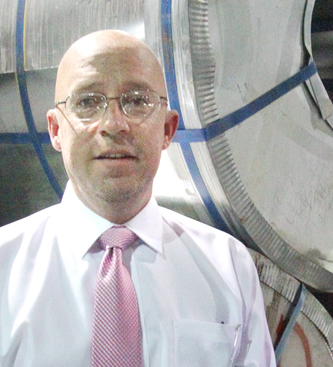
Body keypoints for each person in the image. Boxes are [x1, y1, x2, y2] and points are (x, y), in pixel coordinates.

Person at [0, 30, 275, 366]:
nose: (115, 125)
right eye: (87, 102)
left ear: (167, 130)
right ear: (56, 129)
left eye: (136, 101)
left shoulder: (228, 267)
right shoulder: (5, 265)